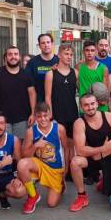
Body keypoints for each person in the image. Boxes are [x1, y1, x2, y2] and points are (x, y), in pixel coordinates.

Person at [69, 94, 111, 211]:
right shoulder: (79, 123)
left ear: (97, 104)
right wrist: (101, 149)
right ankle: (81, 196)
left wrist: (102, 153)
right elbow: (80, 150)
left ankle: (105, 182)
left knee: (110, 194)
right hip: (93, 156)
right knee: (75, 162)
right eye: (86, 105)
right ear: (81, 107)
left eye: (92, 104)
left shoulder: (110, 117)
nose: (90, 107)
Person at [16, 102, 69, 213]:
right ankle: (33, 195)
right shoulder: (31, 131)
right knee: (22, 165)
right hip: (40, 165)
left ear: (50, 115)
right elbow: (24, 155)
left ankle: (61, 184)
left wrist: (66, 169)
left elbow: (66, 148)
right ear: (35, 117)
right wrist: (35, 146)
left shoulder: (59, 129)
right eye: (39, 116)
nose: (43, 119)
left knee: (51, 203)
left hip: (56, 169)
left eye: (45, 115)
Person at [0, 46, 36, 142]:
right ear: (5, 57)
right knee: (5, 145)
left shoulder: (26, 74)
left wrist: (33, 113)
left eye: (16, 54)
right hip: (2, 119)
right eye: (10, 54)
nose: (13, 57)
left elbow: (32, 94)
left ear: (20, 57)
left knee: (21, 146)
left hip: (23, 118)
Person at [45, 43, 79, 174]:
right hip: (58, 114)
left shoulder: (75, 73)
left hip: (72, 113)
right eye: (66, 54)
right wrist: (50, 116)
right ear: (59, 55)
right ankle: (57, 171)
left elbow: (81, 92)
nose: (69, 56)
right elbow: (48, 97)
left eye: (71, 54)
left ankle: (69, 171)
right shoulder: (51, 74)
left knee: (70, 144)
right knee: (57, 145)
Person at [77, 40, 111, 112]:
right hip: (85, 108)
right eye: (87, 50)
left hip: (100, 108)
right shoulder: (78, 67)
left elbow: (105, 91)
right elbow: (77, 85)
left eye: (92, 50)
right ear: (83, 52)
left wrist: (103, 102)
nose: (89, 53)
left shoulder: (103, 68)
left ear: (96, 52)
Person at [25, 33, 59, 102]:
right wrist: (50, 69)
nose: (46, 45)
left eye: (48, 42)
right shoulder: (32, 63)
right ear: (39, 46)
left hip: (57, 102)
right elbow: (28, 84)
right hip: (38, 103)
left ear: (52, 44)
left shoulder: (59, 61)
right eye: (43, 43)